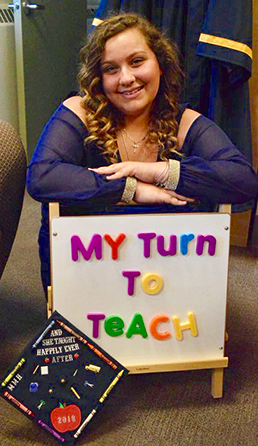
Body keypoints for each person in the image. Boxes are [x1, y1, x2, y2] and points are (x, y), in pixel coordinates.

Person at [27, 12, 258, 294]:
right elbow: (42, 176)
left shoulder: (184, 122)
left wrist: (158, 171)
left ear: (160, 65)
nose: (126, 78)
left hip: (166, 289)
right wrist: (132, 189)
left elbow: (243, 181)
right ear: (99, 79)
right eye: (111, 69)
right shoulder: (80, 110)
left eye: (137, 61)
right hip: (86, 284)